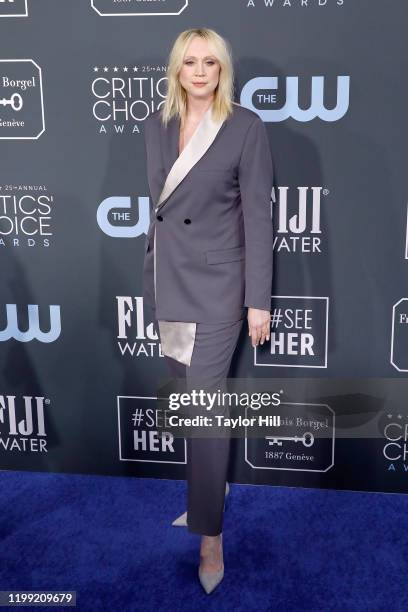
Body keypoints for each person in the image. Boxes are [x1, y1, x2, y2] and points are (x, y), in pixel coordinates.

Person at [142, 27, 274, 594]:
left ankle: (211, 535)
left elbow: (259, 219)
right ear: (177, 68)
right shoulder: (156, 124)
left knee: (204, 407)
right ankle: (206, 495)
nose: (199, 71)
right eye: (190, 62)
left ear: (223, 69)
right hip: (167, 284)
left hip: (220, 286)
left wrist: (257, 300)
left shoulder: (245, 127)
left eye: (210, 62)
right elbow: (161, 211)